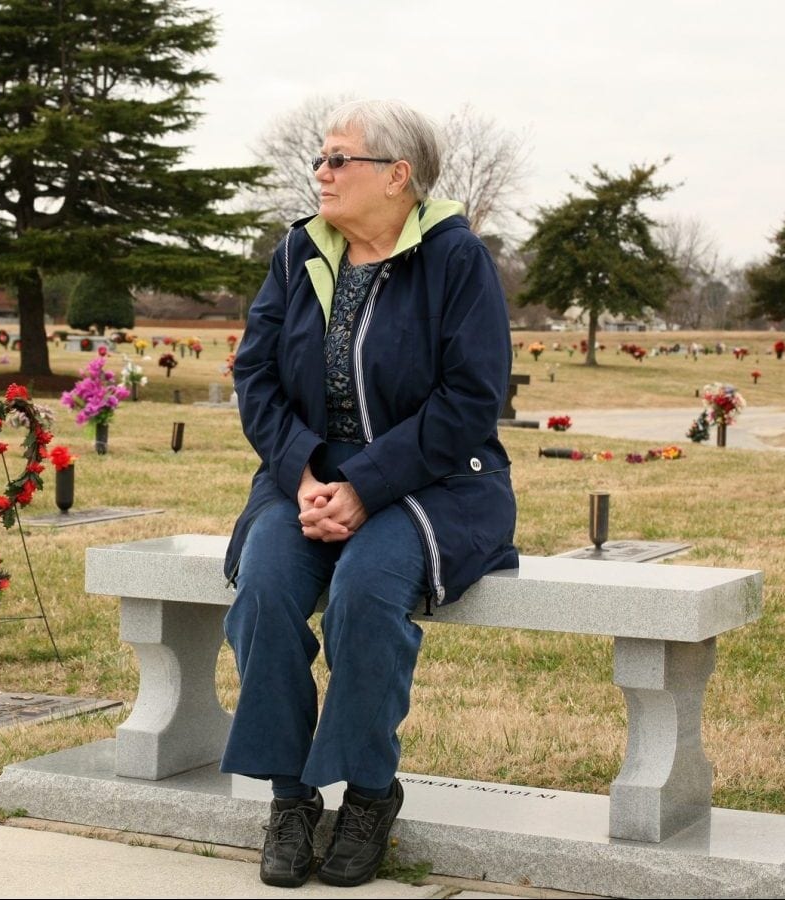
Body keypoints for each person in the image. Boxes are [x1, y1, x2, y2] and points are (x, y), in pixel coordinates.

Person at [222, 98, 519, 888]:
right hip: (308, 474)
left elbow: (469, 399)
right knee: (267, 587)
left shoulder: (456, 259)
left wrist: (365, 484)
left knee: (364, 591)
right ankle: (289, 799)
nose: (321, 172)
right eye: (319, 159)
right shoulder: (298, 255)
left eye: (338, 158)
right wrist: (307, 475)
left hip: (438, 479)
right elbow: (254, 377)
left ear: (397, 176)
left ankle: (367, 796)